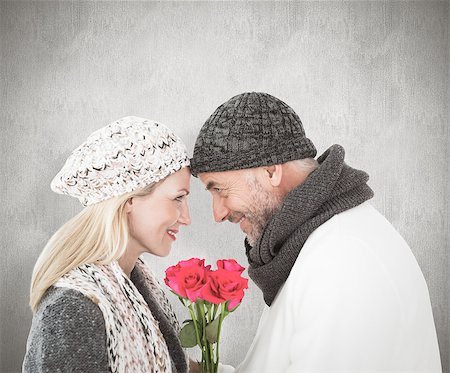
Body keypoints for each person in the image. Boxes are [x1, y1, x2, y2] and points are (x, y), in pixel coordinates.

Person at [190, 92, 442, 372]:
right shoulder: (307, 244)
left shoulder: (343, 259)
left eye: (219, 189)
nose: (218, 213)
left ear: (272, 171)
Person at [23, 116, 192, 373]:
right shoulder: (73, 308)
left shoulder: (138, 283)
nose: (186, 218)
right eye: (178, 198)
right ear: (129, 200)